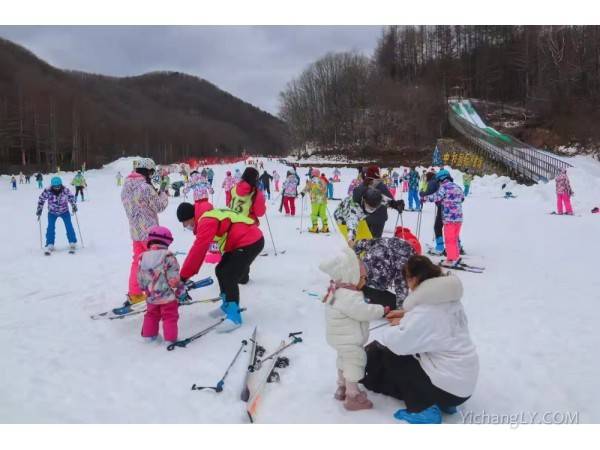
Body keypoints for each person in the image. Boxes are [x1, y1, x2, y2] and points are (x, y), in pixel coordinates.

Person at [362, 255, 479, 424]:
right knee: (410, 355)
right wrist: (406, 317)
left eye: (407, 279)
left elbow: (399, 342)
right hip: (462, 384)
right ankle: (442, 403)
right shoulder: (449, 300)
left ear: (414, 279)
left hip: (449, 387)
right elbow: (434, 327)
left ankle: (423, 409)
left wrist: (396, 326)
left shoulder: (427, 312)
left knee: (392, 355)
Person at [319, 246, 388, 411]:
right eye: (362, 278)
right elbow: (362, 312)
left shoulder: (336, 291)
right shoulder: (348, 296)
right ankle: (353, 396)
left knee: (343, 361)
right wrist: (381, 310)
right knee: (355, 361)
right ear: (351, 275)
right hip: (348, 339)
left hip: (339, 338)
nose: (364, 282)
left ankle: (341, 387)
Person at [176, 203, 265, 332]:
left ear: (191, 217)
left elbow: (198, 251)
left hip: (250, 241)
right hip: (241, 241)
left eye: (185, 222)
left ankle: (234, 316)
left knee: (229, 274)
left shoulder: (206, 221)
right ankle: (226, 304)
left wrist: (183, 277)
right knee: (220, 269)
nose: (185, 226)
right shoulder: (206, 216)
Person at [121, 158, 169, 308]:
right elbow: (160, 206)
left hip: (135, 231)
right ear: (148, 171)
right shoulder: (145, 188)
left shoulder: (125, 187)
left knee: (138, 262)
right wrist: (164, 191)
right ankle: (161, 293)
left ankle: (135, 293)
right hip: (150, 233)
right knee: (157, 262)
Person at [138, 226, 186, 345]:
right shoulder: (168, 256)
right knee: (169, 316)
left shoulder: (143, 257)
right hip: (167, 296)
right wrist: (180, 288)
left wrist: (144, 288)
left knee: (151, 315)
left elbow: (140, 276)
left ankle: (149, 336)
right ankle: (170, 340)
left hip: (151, 295)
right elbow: (173, 277)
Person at [353, 237, 416, 309]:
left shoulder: (383, 241)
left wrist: (354, 257)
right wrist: (400, 309)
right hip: (373, 287)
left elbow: (359, 244)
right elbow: (401, 287)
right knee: (396, 303)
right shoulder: (406, 259)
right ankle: (365, 299)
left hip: (360, 279)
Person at [421, 170, 464, 267]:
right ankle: (454, 256)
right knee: (455, 238)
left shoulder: (444, 187)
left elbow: (436, 197)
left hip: (449, 218)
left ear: (441, 178)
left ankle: (452, 259)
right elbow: (462, 197)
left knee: (449, 239)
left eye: (438, 180)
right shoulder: (457, 187)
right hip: (459, 218)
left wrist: (425, 198)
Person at [352, 165, 404, 239]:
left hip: (365, 218)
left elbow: (355, 198)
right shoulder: (380, 185)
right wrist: (397, 205)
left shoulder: (362, 185)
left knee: (366, 239)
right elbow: (390, 199)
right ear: (377, 173)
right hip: (379, 218)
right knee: (375, 241)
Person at [36, 176, 78, 253]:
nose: (57, 188)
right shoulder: (48, 191)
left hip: (64, 211)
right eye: (55, 187)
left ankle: (72, 242)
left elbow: (71, 197)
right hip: (52, 212)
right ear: (52, 186)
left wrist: (73, 205)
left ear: (61, 185)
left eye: (58, 186)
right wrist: (39, 209)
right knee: (50, 227)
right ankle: (50, 244)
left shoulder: (65, 190)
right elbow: (41, 199)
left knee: (69, 226)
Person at [421, 171, 444, 255]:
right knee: (450, 227)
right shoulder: (439, 181)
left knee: (437, 226)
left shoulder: (432, 182)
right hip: (450, 208)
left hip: (442, 207)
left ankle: (440, 247)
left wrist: (422, 193)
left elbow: (428, 192)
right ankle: (457, 245)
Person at [302, 169, 329, 233]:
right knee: (323, 214)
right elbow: (325, 189)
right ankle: (325, 227)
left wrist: (303, 192)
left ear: (312, 174)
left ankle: (315, 227)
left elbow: (307, 188)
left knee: (314, 214)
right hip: (323, 200)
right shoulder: (322, 180)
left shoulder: (311, 181)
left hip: (315, 200)